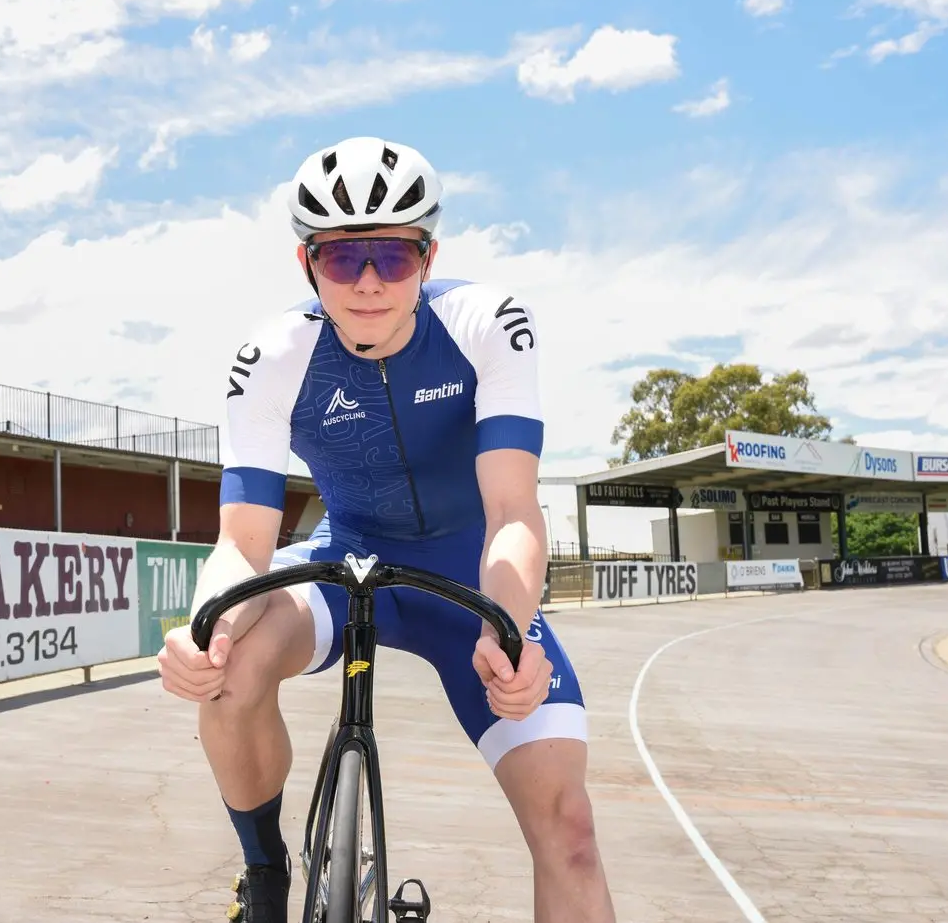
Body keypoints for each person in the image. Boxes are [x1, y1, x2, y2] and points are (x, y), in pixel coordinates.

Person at [157, 136, 616, 922]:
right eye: (342, 260)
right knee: (229, 675)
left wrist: (506, 629)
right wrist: (206, 632)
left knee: (569, 831)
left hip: (468, 579)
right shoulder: (272, 357)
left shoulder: (487, 324)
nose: (368, 283)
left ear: (428, 258)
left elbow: (512, 510)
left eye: (393, 258)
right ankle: (267, 875)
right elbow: (243, 542)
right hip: (349, 558)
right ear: (308, 266)